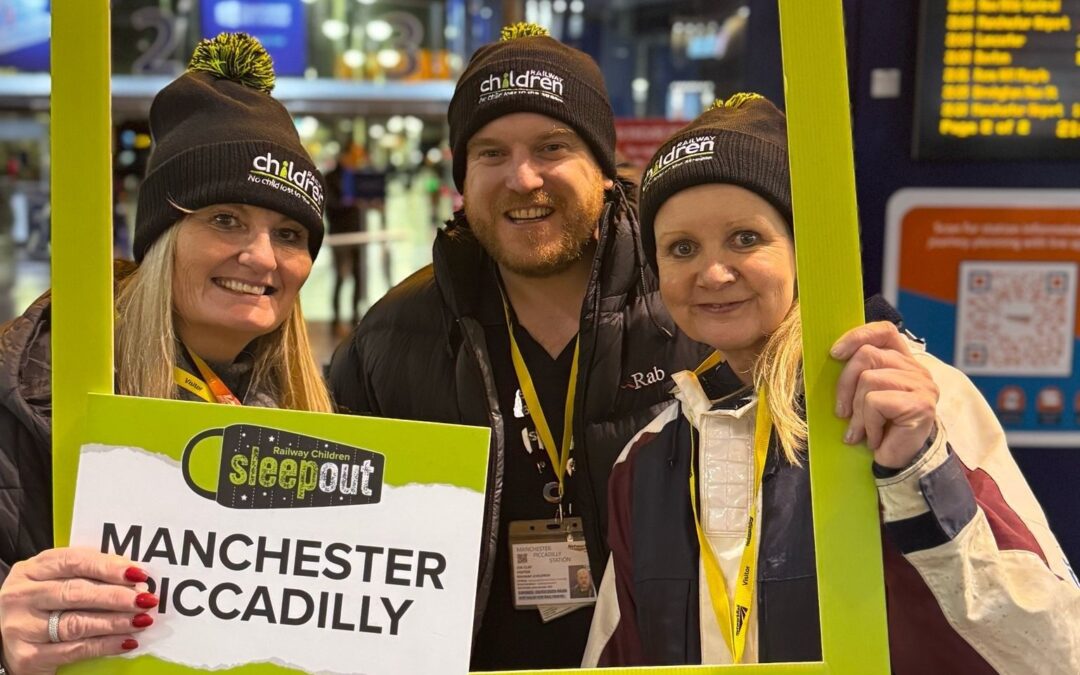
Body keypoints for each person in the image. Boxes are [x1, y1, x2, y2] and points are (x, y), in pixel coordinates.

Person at [583, 94, 1080, 672]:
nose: (713, 273)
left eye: (746, 238)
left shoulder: (913, 398)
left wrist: (921, 473)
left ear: (806, 250)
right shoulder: (647, 459)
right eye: (682, 248)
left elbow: (1052, 648)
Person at [328, 22, 709, 671]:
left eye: (552, 147)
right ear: (462, 175)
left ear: (604, 168)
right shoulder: (391, 338)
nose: (523, 178)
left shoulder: (694, 312)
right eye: (491, 153)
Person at [0, 33, 332, 675]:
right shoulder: (26, 388)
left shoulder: (299, 413)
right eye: (225, 220)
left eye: (289, 233)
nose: (262, 257)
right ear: (162, 238)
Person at [324, 143, 366, 335]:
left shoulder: (358, 177)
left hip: (357, 233)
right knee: (341, 277)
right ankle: (336, 320)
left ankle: (355, 316)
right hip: (340, 235)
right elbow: (331, 205)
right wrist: (349, 203)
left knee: (358, 276)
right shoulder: (331, 177)